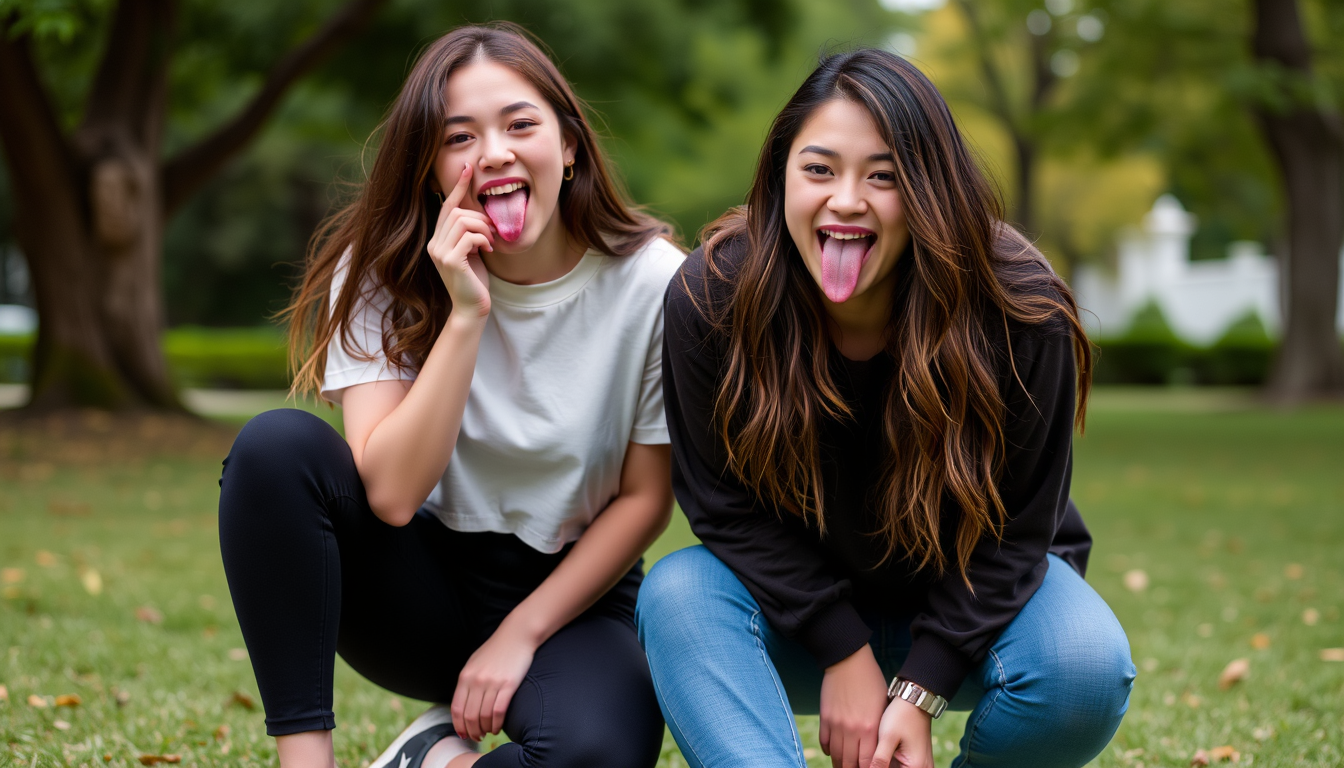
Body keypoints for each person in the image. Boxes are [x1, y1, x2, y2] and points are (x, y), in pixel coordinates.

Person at [637, 48, 1135, 768]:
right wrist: (842, 648)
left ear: (934, 189)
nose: (846, 200)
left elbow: (1022, 530)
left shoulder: (1019, 307)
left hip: (981, 609)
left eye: (885, 176)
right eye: (819, 169)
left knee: (1084, 666)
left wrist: (921, 688)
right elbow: (721, 508)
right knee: (678, 593)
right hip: (791, 616)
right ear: (781, 177)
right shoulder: (712, 297)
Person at [218, 23, 682, 768]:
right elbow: (392, 495)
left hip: (571, 603)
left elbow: (644, 499)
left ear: (569, 146)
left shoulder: (655, 285)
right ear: (432, 170)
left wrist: (521, 633)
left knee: (597, 752)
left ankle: (436, 759)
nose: (492, 153)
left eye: (520, 125)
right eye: (457, 137)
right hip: (415, 588)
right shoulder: (383, 273)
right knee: (276, 448)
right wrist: (466, 314)